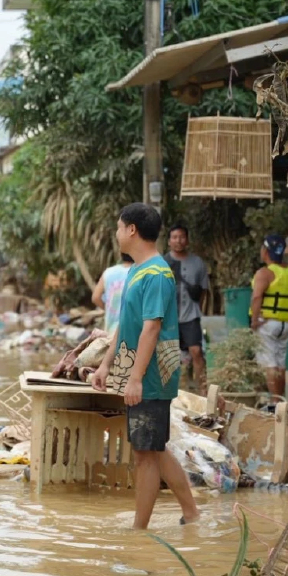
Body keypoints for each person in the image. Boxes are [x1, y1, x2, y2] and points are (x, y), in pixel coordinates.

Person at [92, 204, 199, 530]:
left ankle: (139, 531)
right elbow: (126, 325)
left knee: (145, 452)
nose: (116, 233)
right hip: (138, 371)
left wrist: (135, 378)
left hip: (151, 374)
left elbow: (151, 328)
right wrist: (106, 365)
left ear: (132, 230)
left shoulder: (157, 274)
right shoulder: (138, 270)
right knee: (151, 447)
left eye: (119, 226)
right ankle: (191, 514)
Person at [249, 234, 288, 398]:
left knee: (269, 363)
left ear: (265, 251)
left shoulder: (264, 273)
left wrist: (254, 320)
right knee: (281, 364)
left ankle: (275, 403)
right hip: (284, 325)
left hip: (267, 324)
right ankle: (280, 399)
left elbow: (257, 297)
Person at [165, 224, 210, 391]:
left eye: (182, 237)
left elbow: (204, 289)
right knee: (167, 354)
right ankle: (169, 389)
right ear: (169, 241)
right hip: (168, 318)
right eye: (175, 237)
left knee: (196, 351)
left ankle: (202, 389)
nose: (178, 240)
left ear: (187, 240)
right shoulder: (163, 262)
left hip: (190, 316)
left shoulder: (197, 263)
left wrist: (197, 308)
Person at [92, 254, 134, 337]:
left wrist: (109, 308)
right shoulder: (140, 272)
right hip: (132, 329)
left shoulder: (109, 272)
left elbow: (95, 297)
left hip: (110, 328)